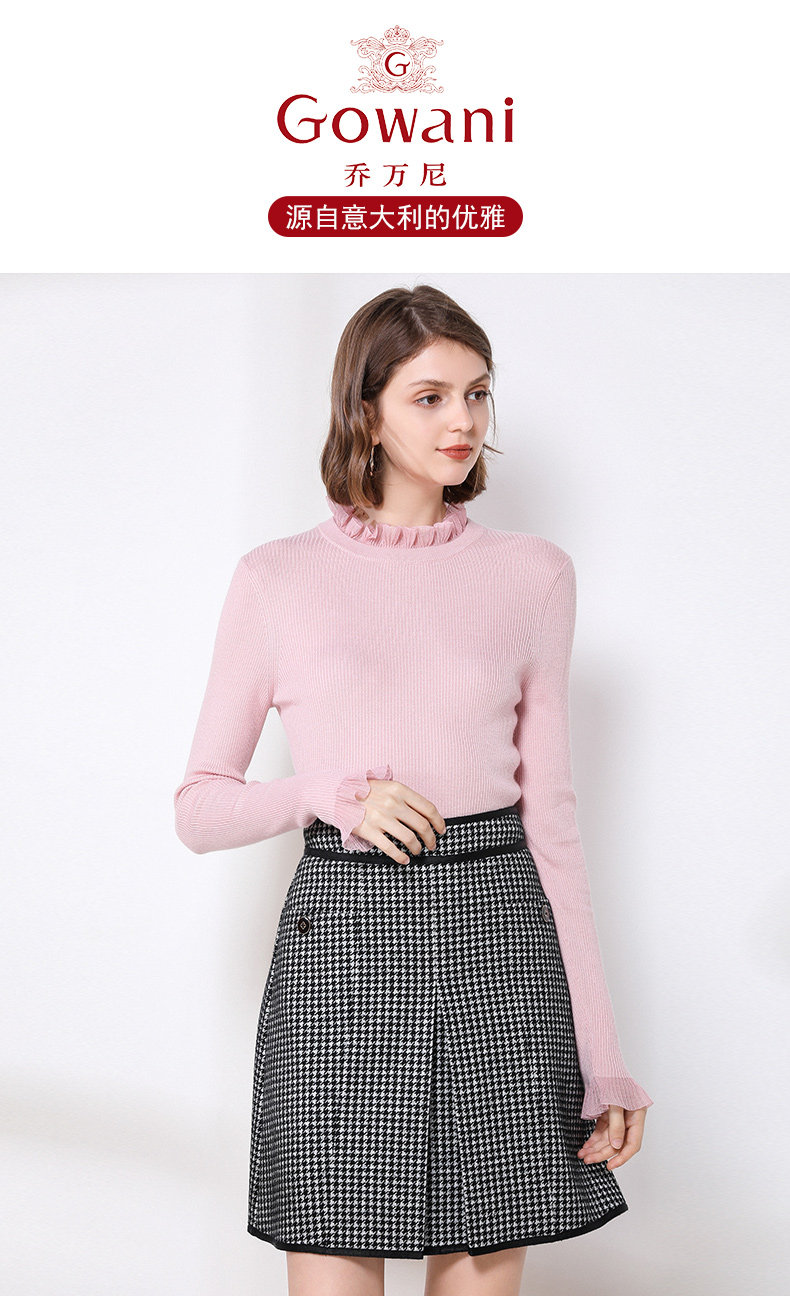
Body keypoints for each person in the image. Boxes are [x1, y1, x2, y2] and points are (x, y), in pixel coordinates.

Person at [173, 284, 653, 1296]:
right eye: (429, 397)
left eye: (477, 393)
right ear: (366, 410)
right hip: (342, 947)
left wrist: (603, 1055)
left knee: (483, 1261)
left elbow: (554, 825)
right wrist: (328, 793)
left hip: (498, 942)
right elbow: (200, 808)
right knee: (333, 1253)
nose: (462, 421)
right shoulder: (276, 578)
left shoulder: (534, 575)